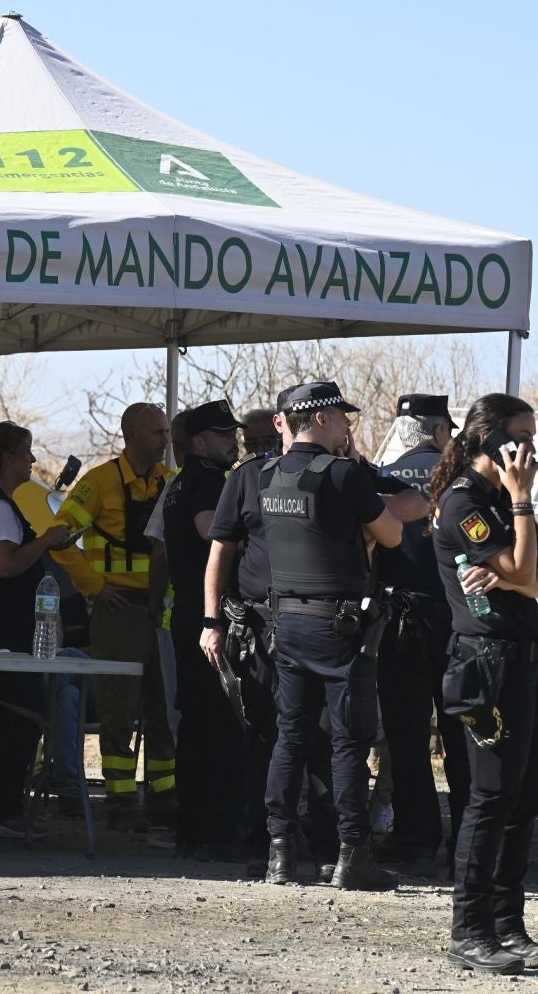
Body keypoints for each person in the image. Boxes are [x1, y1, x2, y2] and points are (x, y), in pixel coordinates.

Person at [253, 381, 404, 891]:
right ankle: (352, 856)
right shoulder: (343, 474)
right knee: (348, 742)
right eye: (342, 417)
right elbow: (392, 534)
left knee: (290, 736)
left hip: (287, 623)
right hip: (339, 627)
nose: (347, 425)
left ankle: (279, 853)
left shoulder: (266, 475)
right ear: (320, 419)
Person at [430, 393, 538, 975]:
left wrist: (510, 578)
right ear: (488, 438)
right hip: (488, 664)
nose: (529, 449)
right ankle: (470, 931)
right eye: (520, 437)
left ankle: (507, 924)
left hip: (528, 661)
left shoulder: (505, 499)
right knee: (490, 798)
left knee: (526, 798)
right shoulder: (465, 501)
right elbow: (529, 570)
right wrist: (524, 504)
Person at [202, 396, 340, 875]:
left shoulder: (334, 474)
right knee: (265, 736)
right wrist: (212, 622)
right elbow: (220, 549)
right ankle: (269, 845)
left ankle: (327, 846)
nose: (262, 446)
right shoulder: (246, 478)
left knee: (323, 737)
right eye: (254, 440)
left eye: (267, 438)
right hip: (259, 626)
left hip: (318, 622)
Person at [59, 402, 174, 828]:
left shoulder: (169, 482)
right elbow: (59, 538)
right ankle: (121, 801)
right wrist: (95, 586)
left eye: (166, 432)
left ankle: (165, 798)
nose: (165, 440)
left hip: (161, 612)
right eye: (158, 432)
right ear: (131, 435)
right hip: (118, 609)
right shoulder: (99, 482)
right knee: (118, 707)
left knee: (164, 707)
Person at [0, 421, 77, 837]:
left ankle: (1, 811)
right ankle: (4, 810)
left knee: (12, 718)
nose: (32, 459)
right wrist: (44, 541)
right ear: (8, 457)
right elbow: (4, 565)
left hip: (6, 634)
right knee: (23, 716)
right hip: (4, 636)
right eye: (27, 451)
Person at [375, 393, 469, 869]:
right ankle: (468, 841)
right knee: (464, 734)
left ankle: (416, 839)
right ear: (439, 432)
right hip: (460, 623)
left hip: (400, 621)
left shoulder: (380, 478)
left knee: (407, 737)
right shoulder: (464, 477)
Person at [159, 400, 245, 859]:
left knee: (197, 723)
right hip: (210, 614)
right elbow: (212, 530)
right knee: (219, 722)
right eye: (222, 433)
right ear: (198, 442)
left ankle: (193, 829)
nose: (233, 440)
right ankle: (215, 830)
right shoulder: (209, 480)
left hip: (190, 612)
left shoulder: (180, 482)